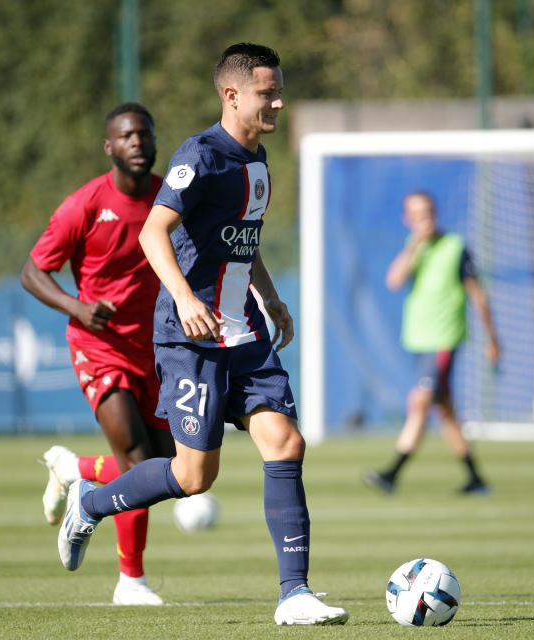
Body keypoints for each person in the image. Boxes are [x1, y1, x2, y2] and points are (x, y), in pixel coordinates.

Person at [56, 43, 349, 626]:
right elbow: (153, 234)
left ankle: (295, 595)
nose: (279, 101)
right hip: (192, 339)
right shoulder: (200, 156)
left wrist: (270, 298)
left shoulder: (259, 160)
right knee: (193, 476)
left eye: (278, 90)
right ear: (232, 94)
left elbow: (245, 240)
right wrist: (187, 299)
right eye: (269, 92)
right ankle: (88, 504)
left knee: (286, 444)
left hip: (244, 333)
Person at [21, 102, 174, 605]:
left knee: (170, 463)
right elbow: (33, 272)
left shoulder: (167, 198)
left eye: (144, 135)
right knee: (137, 459)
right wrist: (79, 308)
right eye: (126, 136)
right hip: (99, 345)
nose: (137, 143)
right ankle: (131, 581)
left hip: (154, 346)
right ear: (109, 147)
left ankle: (75, 470)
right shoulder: (84, 204)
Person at [364, 191, 500, 495]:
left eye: (428, 212)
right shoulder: (413, 249)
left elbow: (478, 296)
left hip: (444, 339)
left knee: (420, 400)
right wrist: (415, 246)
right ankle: (475, 478)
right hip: (419, 340)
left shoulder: (455, 247)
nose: (425, 219)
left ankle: (392, 473)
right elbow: (394, 280)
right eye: (417, 214)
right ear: (407, 219)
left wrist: (493, 338)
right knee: (445, 410)